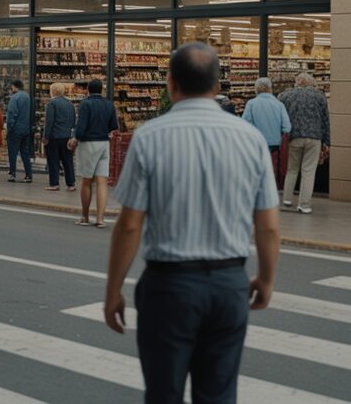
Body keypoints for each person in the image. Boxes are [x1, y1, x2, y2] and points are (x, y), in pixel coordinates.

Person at [103, 43, 281, 403]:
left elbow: (130, 225)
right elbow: (268, 226)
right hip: (229, 284)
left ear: (170, 83)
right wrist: (265, 277)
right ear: (217, 86)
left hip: (168, 286)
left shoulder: (149, 136)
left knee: (163, 392)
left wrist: (113, 291)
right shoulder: (251, 139)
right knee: (218, 394)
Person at [279, 72, 330, 214]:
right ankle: (304, 204)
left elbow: (281, 116)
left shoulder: (285, 96)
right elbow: (325, 120)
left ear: (297, 82)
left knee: (292, 169)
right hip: (314, 137)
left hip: (294, 137)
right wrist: (327, 141)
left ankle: (287, 199)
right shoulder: (319, 96)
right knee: (308, 172)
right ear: (311, 83)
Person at [71, 79, 119, 228]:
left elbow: (81, 127)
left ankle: (85, 216)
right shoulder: (109, 104)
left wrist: (75, 139)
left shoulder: (85, 104)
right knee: (102, 181)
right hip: (104, 143)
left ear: (87, 90)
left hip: (88, 143)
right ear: (102, 90)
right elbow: (114, 126)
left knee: (86, 181)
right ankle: (100, 218)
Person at [242, 76, 291, 157]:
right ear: (270, 88)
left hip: (257, 142)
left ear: (256, 89)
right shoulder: (279, 104)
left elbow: (245, 123)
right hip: (275, 144)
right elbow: (287, 127)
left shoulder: (251, 103)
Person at [43, 82, 76, 192]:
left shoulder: (52, 104)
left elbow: (49, 122)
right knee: (68, 161)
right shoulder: (70, 104)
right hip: (67, 137)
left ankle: (54, 184)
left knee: (53, 161)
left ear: (53, 91)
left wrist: (45, 136)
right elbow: (73, 122)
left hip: (54, 137)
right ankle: (71, 184)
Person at [5, 79, 33, 183]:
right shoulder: (27, 97)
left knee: (12, 152)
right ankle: (28, 175)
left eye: (12, 87)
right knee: (25, 153)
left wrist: (9, 128)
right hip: (25, 129)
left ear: (15, 87)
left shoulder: (14, 97)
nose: (11, 89)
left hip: (15, 130)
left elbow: (12, 114)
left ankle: (12, 174)